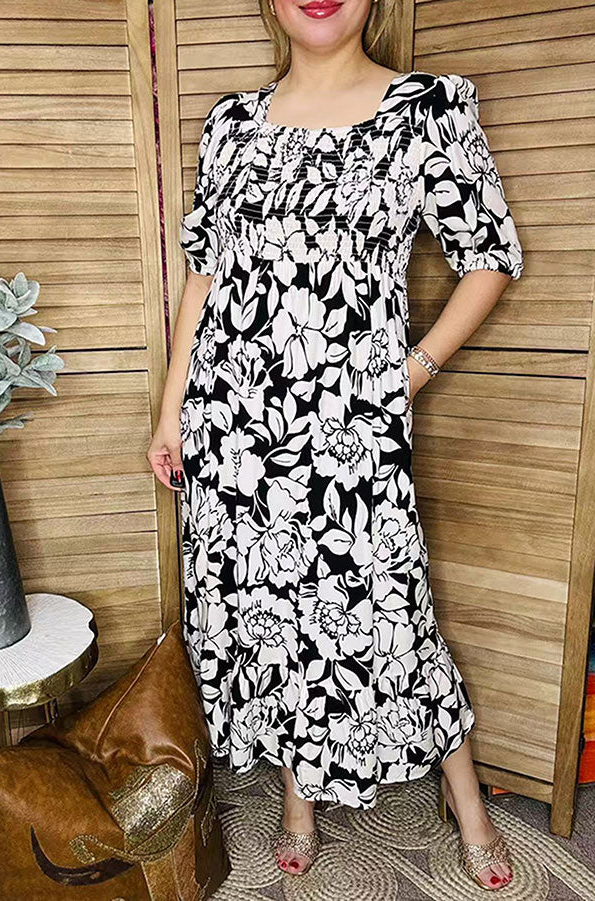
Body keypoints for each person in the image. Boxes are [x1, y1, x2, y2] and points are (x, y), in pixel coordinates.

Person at [147, 0, 524, 891]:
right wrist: (170, 410)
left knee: (392, 614)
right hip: (233, 433)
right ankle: (297, 800)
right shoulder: (231, 124)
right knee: (270, 617)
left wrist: (409, 373)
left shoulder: (427, 108)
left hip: (351, 435)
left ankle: (466, 805)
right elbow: (205, 276)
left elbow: (490, 258)